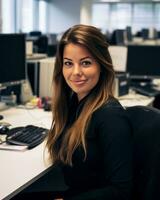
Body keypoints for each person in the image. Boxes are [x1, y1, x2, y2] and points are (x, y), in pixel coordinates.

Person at [46, 24, 133, 200]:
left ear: (101, 65)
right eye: (68, 63)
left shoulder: (110, 117)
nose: (76, 72)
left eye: (86, 63)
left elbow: (122, 191)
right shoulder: (74, 104)